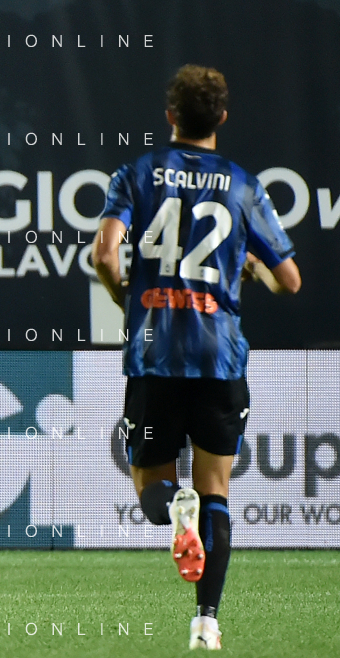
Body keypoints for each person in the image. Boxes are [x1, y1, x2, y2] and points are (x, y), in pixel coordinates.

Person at [93, 65, 301, 651]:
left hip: (155, 354)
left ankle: (174, 510)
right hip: (220, 359)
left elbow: (104, 256)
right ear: (223, 118)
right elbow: (290, 279)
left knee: (152, 492)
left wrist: (126, 298)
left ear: (170, 117)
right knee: (217, 493)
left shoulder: (136, 173)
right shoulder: (242, 184)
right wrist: (254, 268)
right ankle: (206, 622)